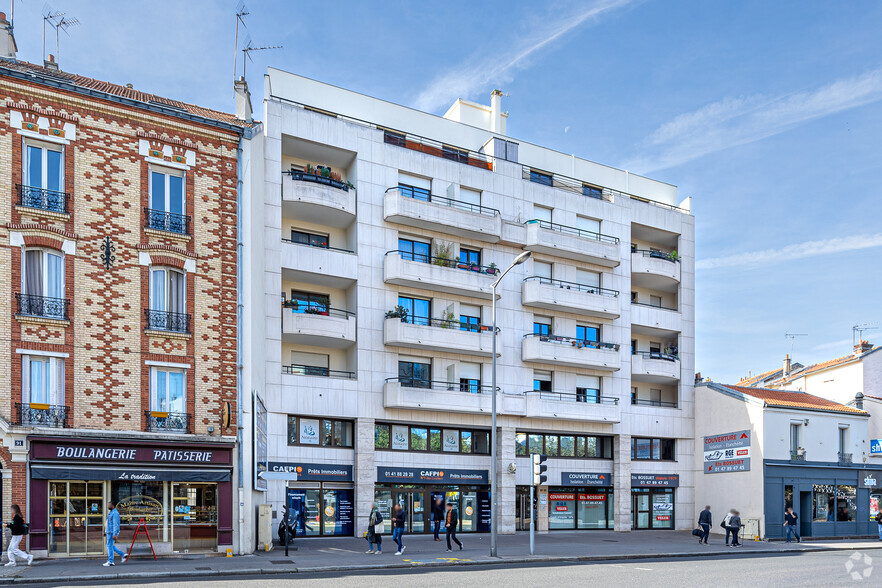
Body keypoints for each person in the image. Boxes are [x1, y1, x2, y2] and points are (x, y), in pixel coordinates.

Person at [103, 502, 128, 566]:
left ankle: (111, 561)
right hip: (109, 531)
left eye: (109, 505)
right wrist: (105, 531)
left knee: (110, 546)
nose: (108, 506)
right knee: (109, 546)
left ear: (113, 506)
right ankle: (122, 554)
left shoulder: (115, 513)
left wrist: (115, 534)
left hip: (111, 532)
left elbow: (115, 525)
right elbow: (108, 523)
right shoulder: (111, 513)